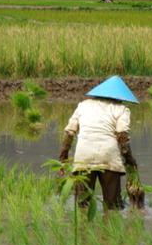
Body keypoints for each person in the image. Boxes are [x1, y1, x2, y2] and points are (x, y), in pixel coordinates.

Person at [57, 75, 140, 210]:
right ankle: (111, 227)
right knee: (113, 205)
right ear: (120, 96)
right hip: (109, 155)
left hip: (83, 155)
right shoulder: (121, 109)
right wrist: (130, 159)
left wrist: (63, 156)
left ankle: (84, 228)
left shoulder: (83, 105)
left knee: (83, 203)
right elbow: (122, 135)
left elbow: (69, 133)